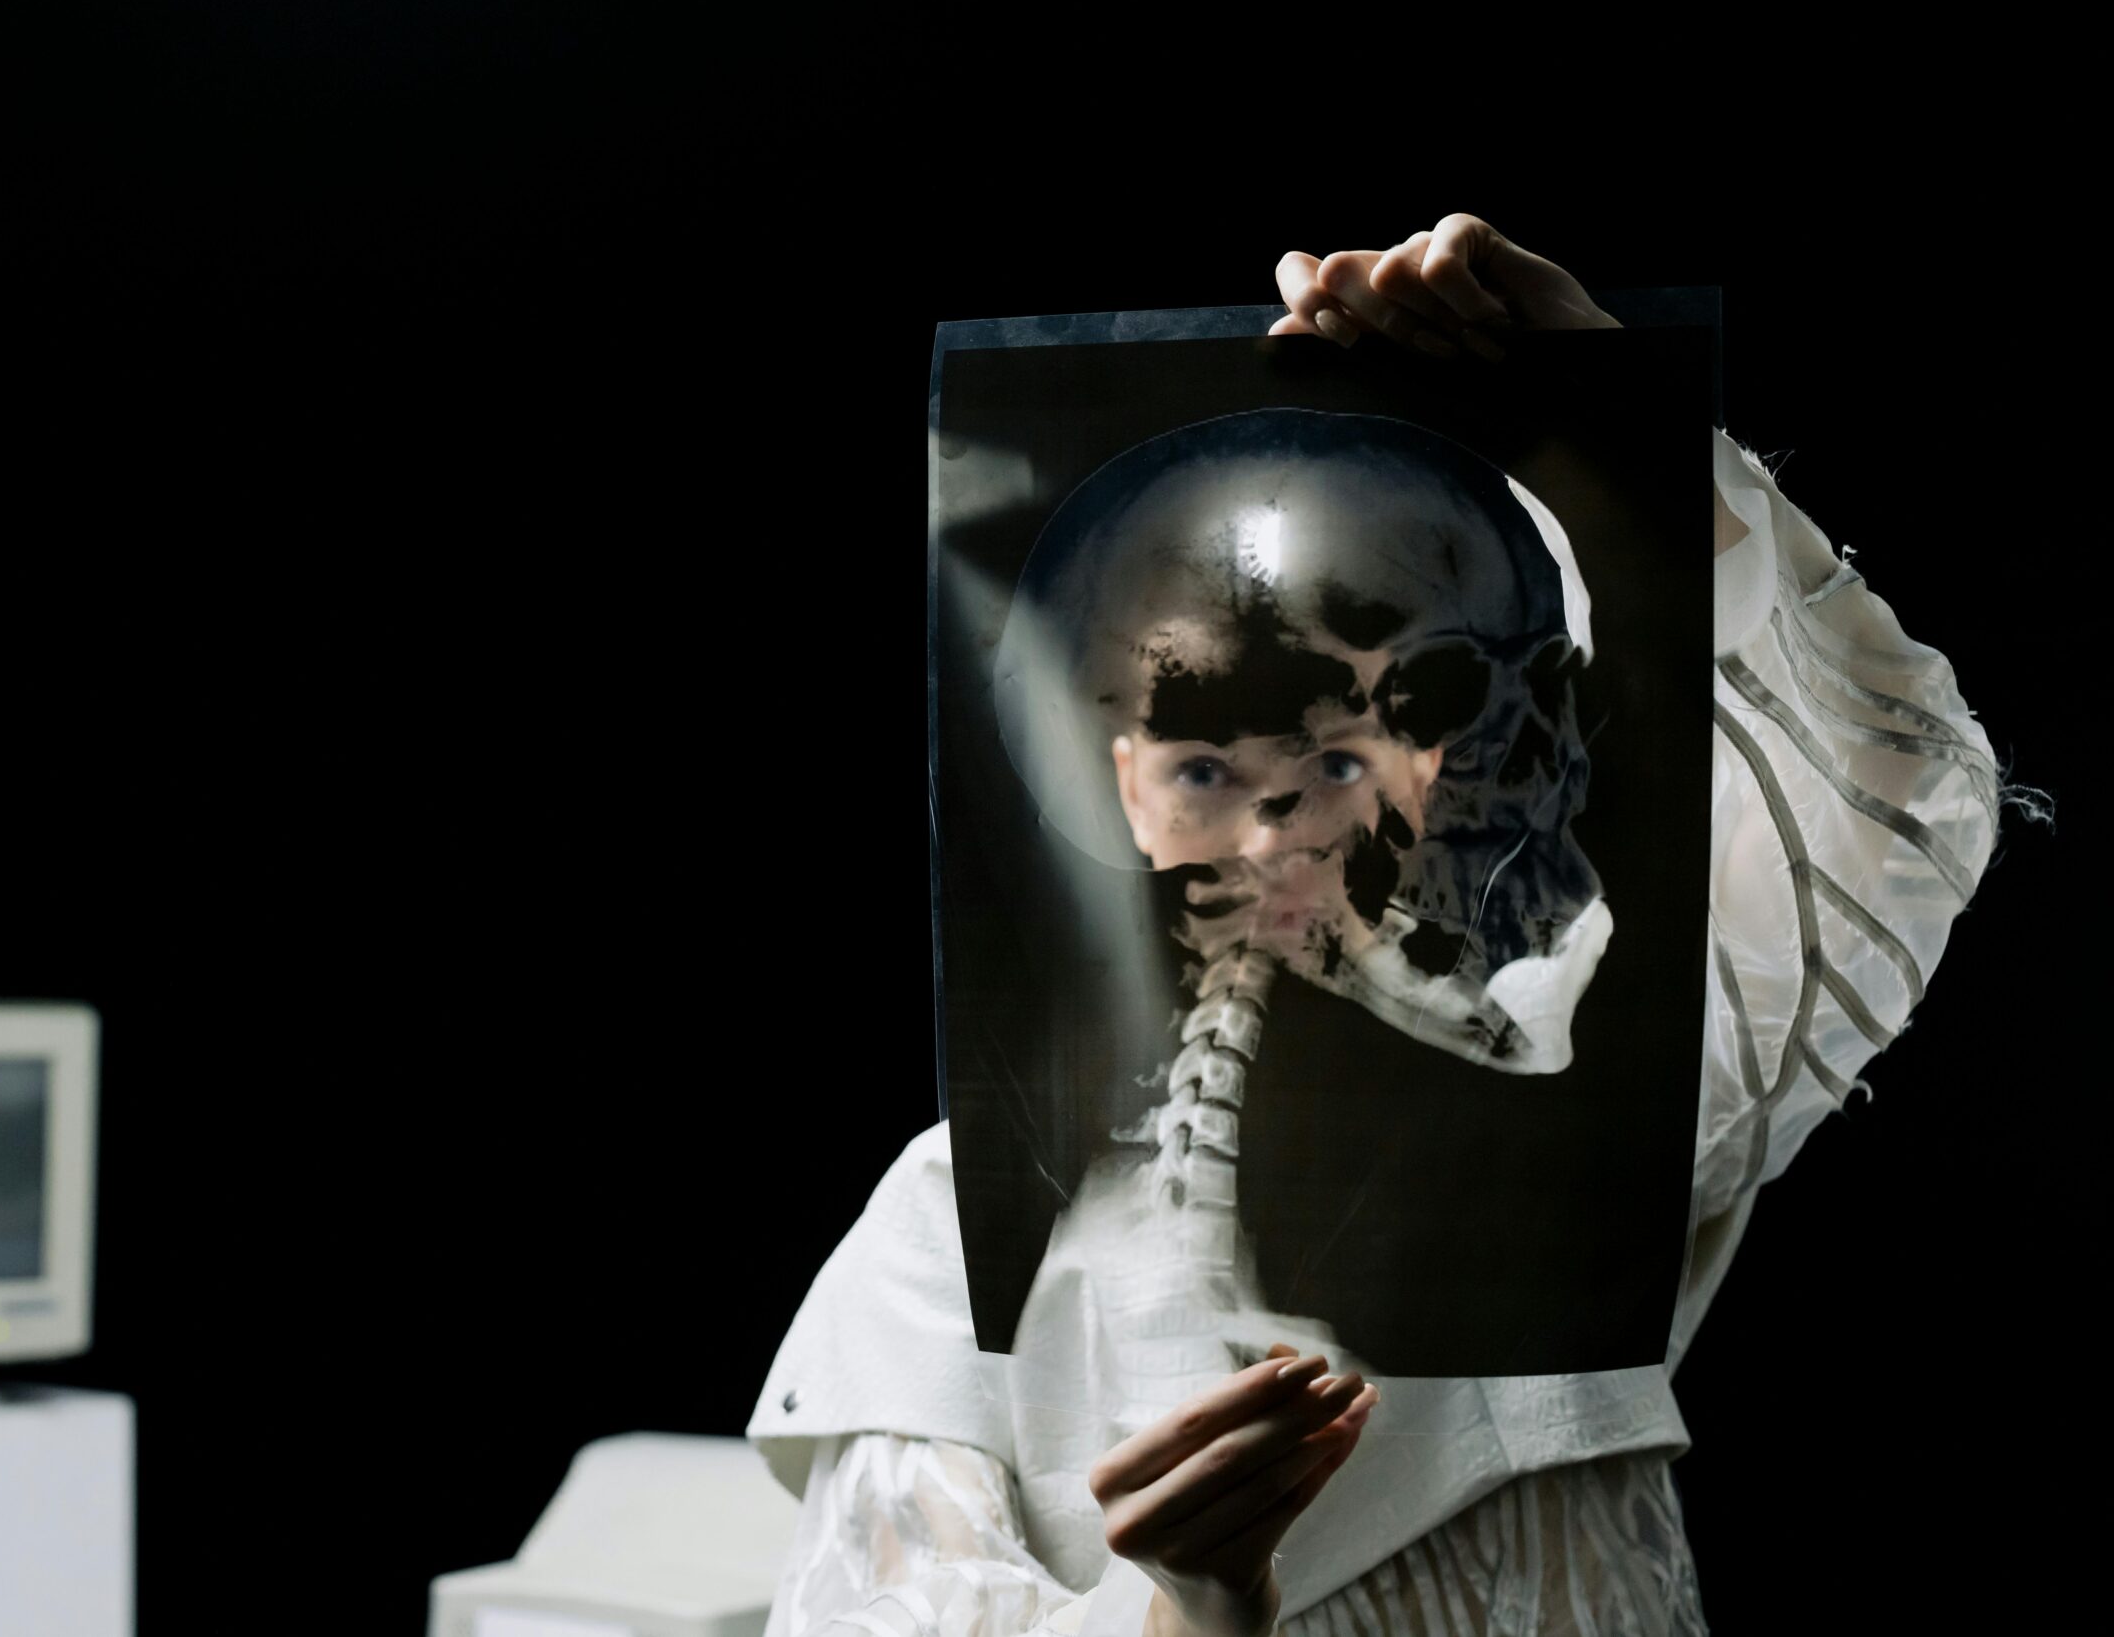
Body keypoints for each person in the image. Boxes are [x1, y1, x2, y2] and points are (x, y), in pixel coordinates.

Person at [749, 215, 2009, 1636]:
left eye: (1376, 746)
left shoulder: (1597, 1134)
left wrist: (1625, 419)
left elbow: (1892, 809)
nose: (1301, 833)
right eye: (1218, 768)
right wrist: (1193, 1616)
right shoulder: (944, 1241)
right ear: (1125, 794)